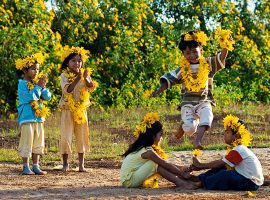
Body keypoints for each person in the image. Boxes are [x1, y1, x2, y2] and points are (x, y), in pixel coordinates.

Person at [152, 29, 235, 149]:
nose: (192, 56)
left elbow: (221, 57)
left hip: (204, 101)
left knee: (208, 117)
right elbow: (169, 79)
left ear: (201, 50)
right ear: (183, 54)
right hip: (188, 104)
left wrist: (226, 44)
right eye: (187, 53)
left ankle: (197, 141)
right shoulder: (182, 69)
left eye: (194, 52)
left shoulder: (208, 64)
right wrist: (159, 91)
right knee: (190, 128)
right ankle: (184, 125)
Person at [120, 112, 198, 189]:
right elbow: (164, 163)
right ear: (153, 136)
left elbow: (165, 163)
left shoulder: (145, 148)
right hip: (129, 181)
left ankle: (184, 181)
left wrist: (181, 168)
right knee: (155, 164)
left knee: (158, 163)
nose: (161, 138)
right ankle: (182, 183)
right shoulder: (148, 152)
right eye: (160, 135)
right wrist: (181, 173)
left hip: (131, 178)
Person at [190, 114, 264, 190]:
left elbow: (219, 163)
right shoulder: (238, 149)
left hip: (250, 183)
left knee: (225, 174)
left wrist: (200, 165)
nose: (224, 134)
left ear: (237, 136)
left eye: (227, 132)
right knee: (223, 168)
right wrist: (200, 167)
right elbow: (223, 165)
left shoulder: (239, 150)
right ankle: (199, 178)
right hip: (245, 179)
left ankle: (201, 183)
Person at [58, 46, 97, 172]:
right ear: (67, 63)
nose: (77, 63)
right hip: (67, 109)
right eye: (73, 61)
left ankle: (81, 165)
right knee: (66, 136)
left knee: (82, 136)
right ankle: (65, 164)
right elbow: (68, 90)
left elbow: (91, 87)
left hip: (81, 110)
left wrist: (84, 78)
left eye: (79, 61)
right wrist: (77, 79)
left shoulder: (85, 74)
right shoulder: (64, 75)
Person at [16, 53, 51, 175]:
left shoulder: (38, 84)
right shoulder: (22, 84)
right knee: (27, 141)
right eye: (33, 69)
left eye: (37, 69)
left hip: (39, 118)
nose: (36, 71)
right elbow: (32, 97)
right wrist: (38, 87)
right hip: (27, 118)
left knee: (38, 141)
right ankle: (26, 166)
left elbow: (47, 97)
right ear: (25, 70)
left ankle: (36, 165)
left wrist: (43, 87)